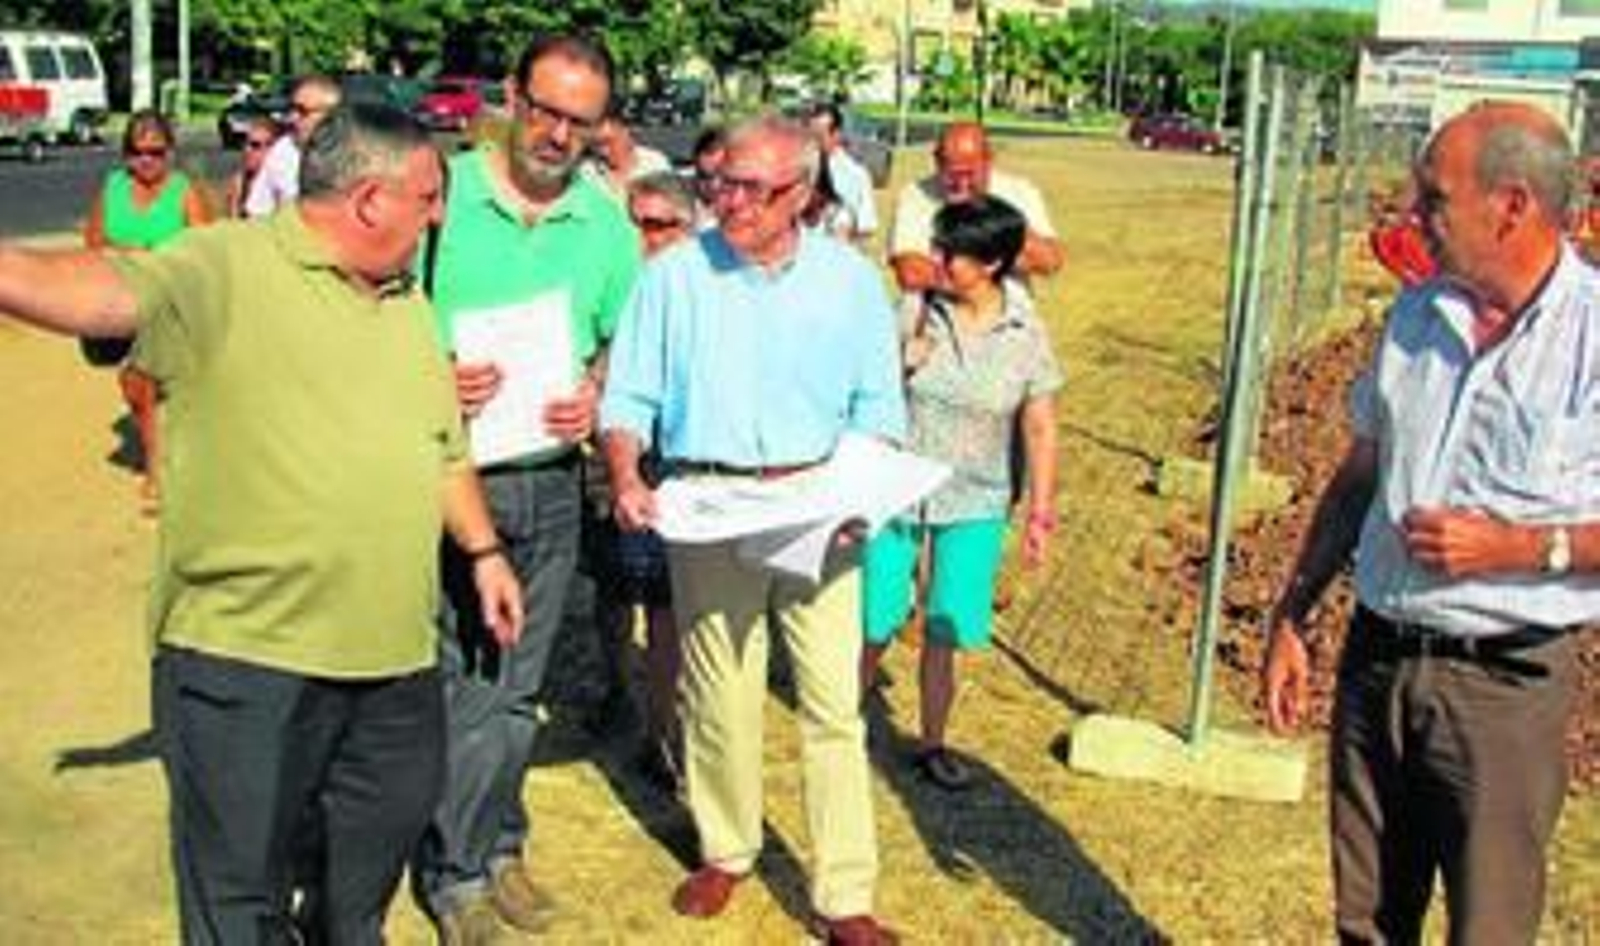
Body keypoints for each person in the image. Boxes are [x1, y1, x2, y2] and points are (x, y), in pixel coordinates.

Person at [0, 102, 522, 944]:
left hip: (394, 663)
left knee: (358, 897)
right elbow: (97, 292)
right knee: (239, 903)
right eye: (429, 197)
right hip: (249, 662)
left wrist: (484, 550)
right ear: (370, 200)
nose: (437, 217)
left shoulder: (408, 303)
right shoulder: (224, 266)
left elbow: (441, 448)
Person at [1261, 102, 1597, 944]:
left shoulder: (1591, 339)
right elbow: (1359, 477)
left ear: (1511, 205)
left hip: (1503, 687)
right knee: (1368, 921)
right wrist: (1293, 612)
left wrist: (1522, 547)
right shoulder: (1416, 317)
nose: (1415, 215)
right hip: (1378, 663)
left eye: (1435, 198)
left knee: (1488, 927)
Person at [600, 114, 905, 946]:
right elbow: (628, 395)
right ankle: (726, 849)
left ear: (801, 194)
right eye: (719, 183)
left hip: (819, 505)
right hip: (708, 501)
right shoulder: (674, 277)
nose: (728, 202)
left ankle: (844, 895)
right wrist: (627, 475)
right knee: (719, 689)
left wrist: (859, 496)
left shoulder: (850, 282)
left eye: (750, 189)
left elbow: (880, 406)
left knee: (832, 703)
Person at [410, 34, 642, 944]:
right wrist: (432, 377)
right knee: (460, 685)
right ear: (511, 97)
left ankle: (497, 846)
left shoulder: (606, 225)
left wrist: (596, 389)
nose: (557, 134)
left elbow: (623, 344)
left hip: (547, 486)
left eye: (580, 121)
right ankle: (456, 873)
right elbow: (369, 312)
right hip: (443, 481)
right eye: (544, 111)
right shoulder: (439, 194)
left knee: (514, 691)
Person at [859, 196, 1061, 792]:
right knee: (876, 612)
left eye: (952, 253)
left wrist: (1040, 511)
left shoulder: (1025, 333)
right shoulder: (915, 311)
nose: (938, 261)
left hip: (977, 498)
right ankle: (841, 722)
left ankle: (932, 743)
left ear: (992, 263)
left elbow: (1040, 424)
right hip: (898, 489)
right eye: (938, 247)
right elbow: (864, 389)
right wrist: (901, 362)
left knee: (946, 624)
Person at [80, 108, 212, 512]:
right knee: (137, 390)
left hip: (171, 301)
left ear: (170, 152)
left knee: (142, 379)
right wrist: (125, 252)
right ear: (126, 154)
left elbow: (205, 249)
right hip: (122, 300)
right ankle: (159, 454)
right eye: (138, 152)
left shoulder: (183, 191)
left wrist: (159, 256)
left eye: (156, 152)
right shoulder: (114, 187)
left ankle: (158, 467)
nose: (147, 161)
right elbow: (93, 243)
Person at [887, 121, 1063, 294]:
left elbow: (1051, 262)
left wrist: (985, 239)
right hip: (938, 310)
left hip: (1011, 309)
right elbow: (910, 274)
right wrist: (992, 265)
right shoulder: (915, 196)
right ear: (937, 162)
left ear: (988, 161)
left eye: (970, 174)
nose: (962, 184)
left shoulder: (1020, 192)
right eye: (952, 175)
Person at [245, 74, 341, 217]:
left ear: (330, 114)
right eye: (292, 109)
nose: (293, 118)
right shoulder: (282, 150)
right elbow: (257, 212)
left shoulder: (355, 150)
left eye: (303, 111)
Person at [806, 101, 877, 241]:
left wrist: (848, 230)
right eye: (808, 135)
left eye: (818, 137)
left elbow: (867, 227)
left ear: (836, 134)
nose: (812, 142)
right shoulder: (794, 170)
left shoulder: (856, 175)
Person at [589, 112, 672, 195]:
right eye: (596, 145)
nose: (604, 152)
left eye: (609, 142)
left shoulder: (654, 164)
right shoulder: (589, 171)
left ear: (625, 133)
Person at [225, 116, 282, 218]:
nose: (247, 150)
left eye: (255, 145)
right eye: (245, 143)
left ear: (271, 150)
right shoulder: (239, 182)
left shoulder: (279, 184)